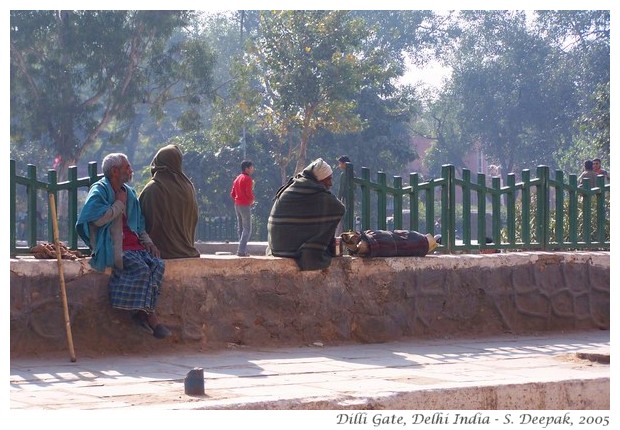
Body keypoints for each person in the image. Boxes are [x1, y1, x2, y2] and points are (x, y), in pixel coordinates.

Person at [76, 153, 171, 339]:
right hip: (113, 246)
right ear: (115, 171)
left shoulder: (130, 192)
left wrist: (149, 243)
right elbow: (96, 219)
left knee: (158, 265)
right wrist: (119, 204)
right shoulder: (99, 191)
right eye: (127, 167)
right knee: (142, 269)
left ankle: (141, 313)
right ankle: (151, 318)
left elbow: (139, 224)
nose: (131, 170)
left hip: (135, 246)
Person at [267, 158, 345, 271]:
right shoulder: (309, 188)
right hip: (288, 249)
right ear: (319, 179)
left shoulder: (296, 185)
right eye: (328, 179)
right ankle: (314, 248)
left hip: (276, 248)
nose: (330, 184)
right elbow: (339, 208)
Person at [139, 144, 200, 259]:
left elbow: (140, 222)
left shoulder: (153, 188)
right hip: (188, 251)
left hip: (160, 253)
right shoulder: (188, 187)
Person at [230, 160, 255, 257]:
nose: (253, 169)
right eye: (251, 167)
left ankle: (243, 250)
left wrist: (238, 199)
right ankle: (241, 250)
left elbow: (232, 193)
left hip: (237, 204)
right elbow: (249, 193)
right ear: (246, 168)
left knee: (240, 228)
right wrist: (251, 200)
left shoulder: (237, 178)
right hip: (244, 205)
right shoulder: (248, 179)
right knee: (247, 228)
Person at [335, 155, 351, 236]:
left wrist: (338, 200)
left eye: (340, 163)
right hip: (350, 199)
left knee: (343, 220)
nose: (339, 165)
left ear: (345, 164)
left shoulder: (343, 174)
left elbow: (341, 190)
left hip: (344, 199)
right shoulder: (353, 174)